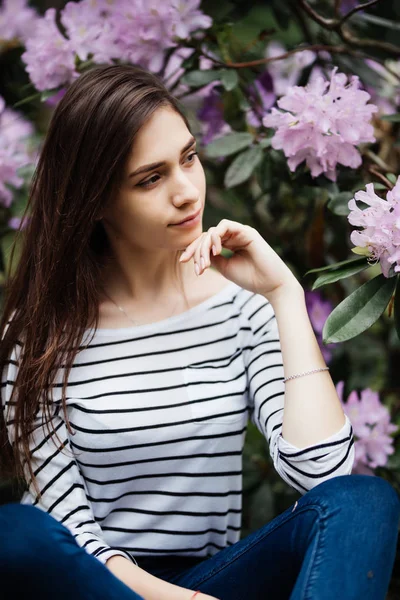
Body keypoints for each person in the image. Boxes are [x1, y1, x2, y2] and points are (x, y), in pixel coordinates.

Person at [0, 63, 399, 600]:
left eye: (188, 158)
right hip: (93, 580)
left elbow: (323, 475)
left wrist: (283, 295)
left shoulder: (241, 309)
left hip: (212, 577)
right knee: (16, 533)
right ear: (95, 200)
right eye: (151, 178)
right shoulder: (40, 335)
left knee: (364, 500)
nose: (187, 192)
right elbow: (68, 525)